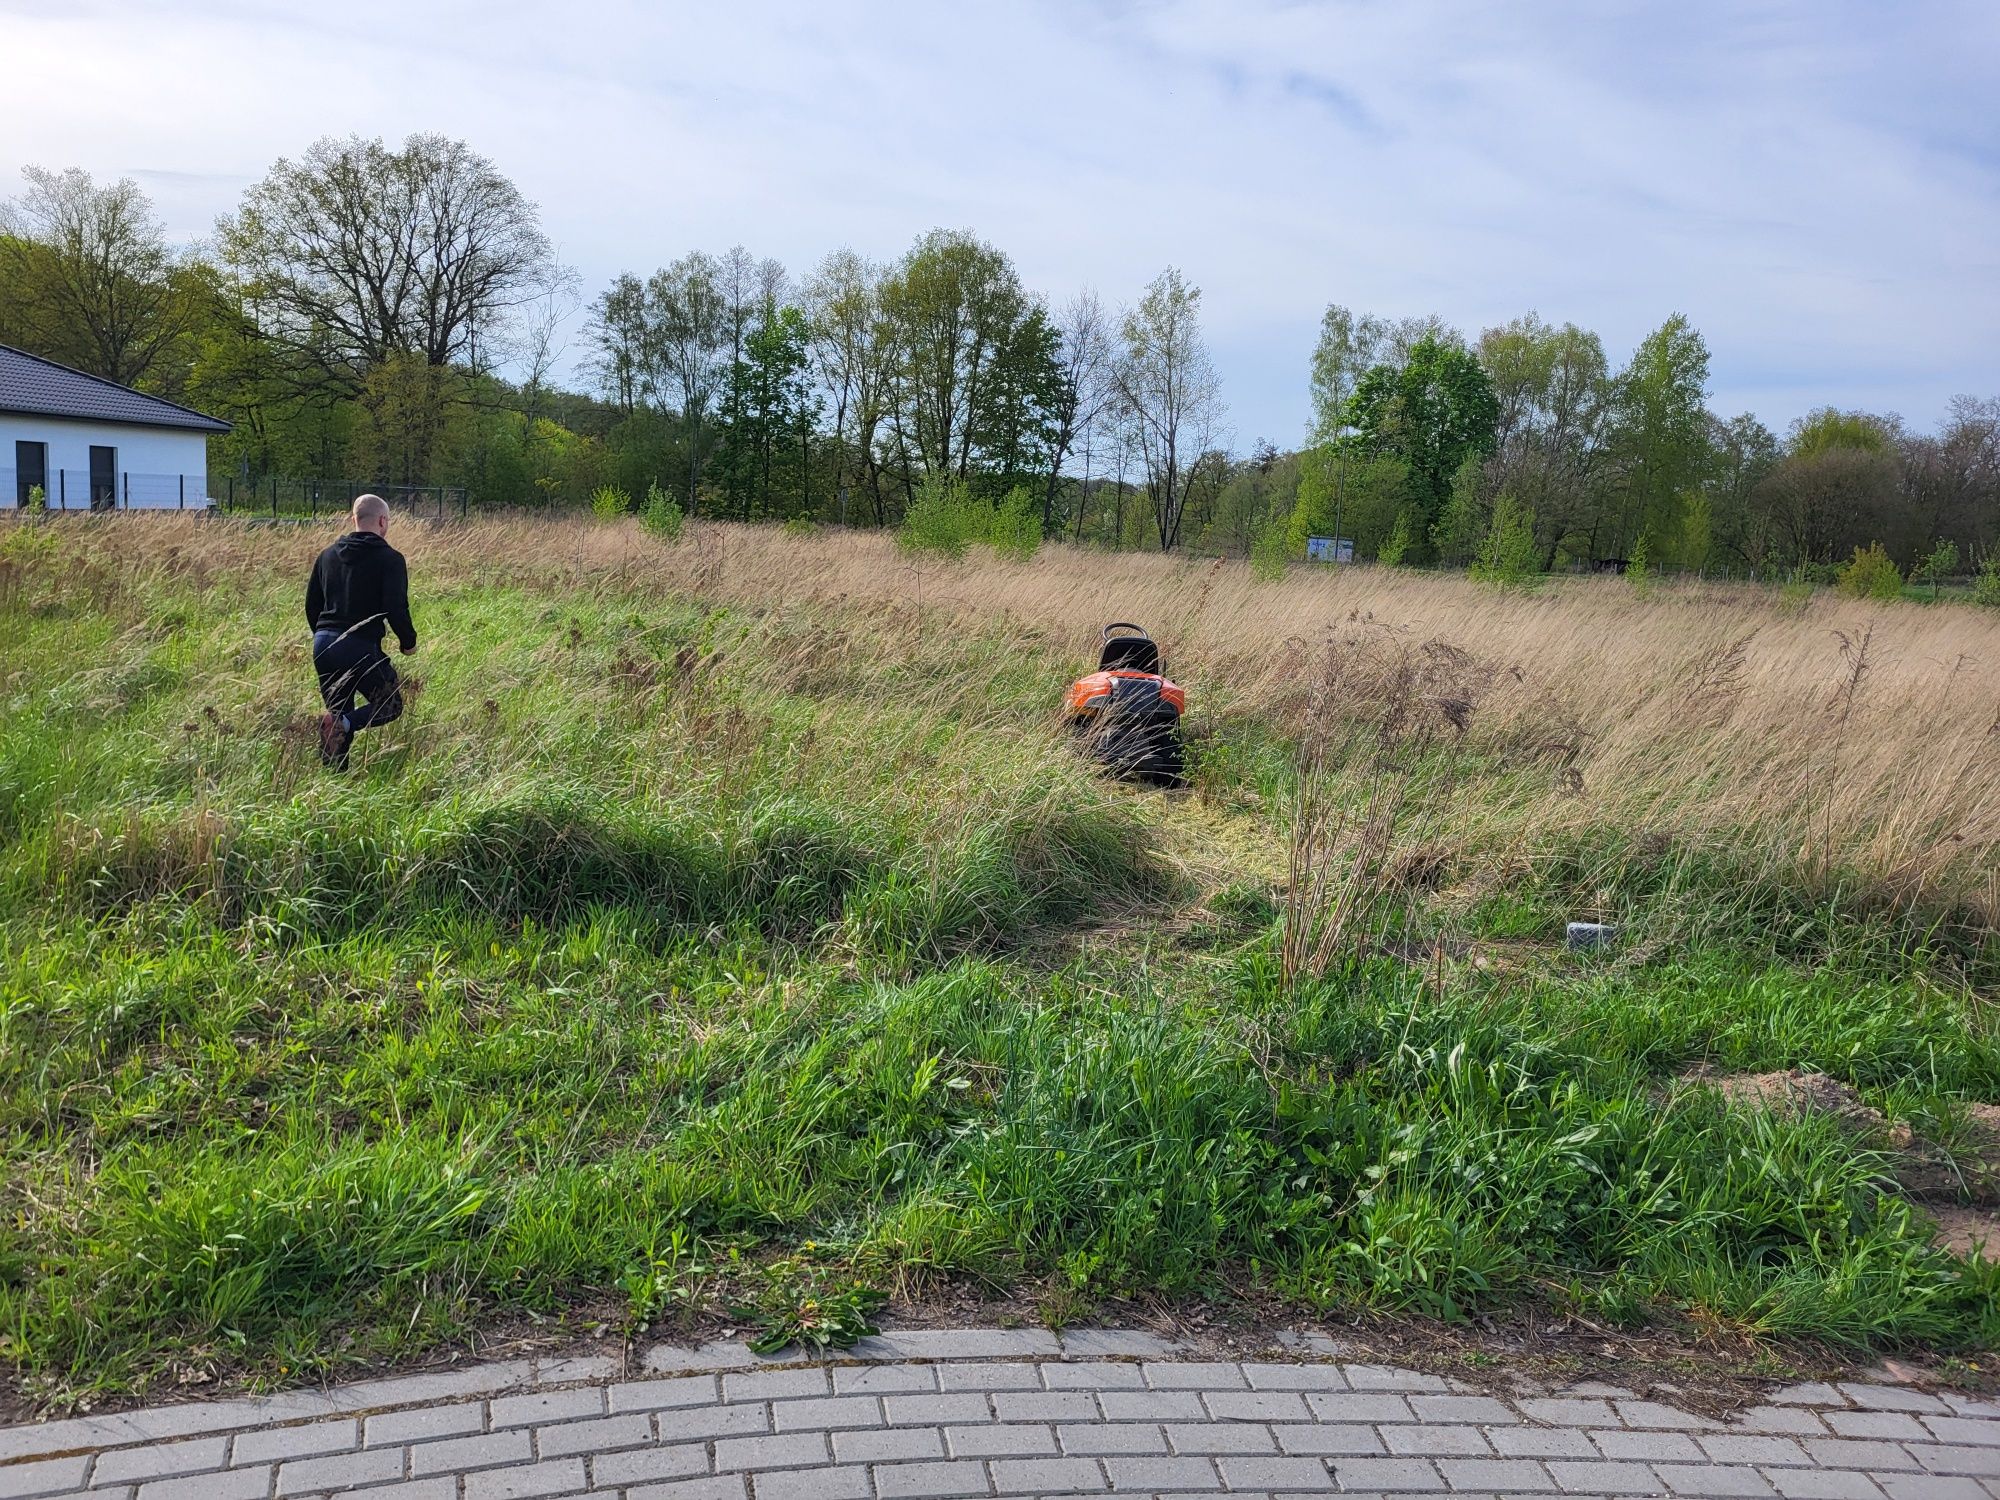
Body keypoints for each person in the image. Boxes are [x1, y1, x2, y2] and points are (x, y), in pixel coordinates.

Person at [305, 494, 416, 768]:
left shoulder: (327, 555)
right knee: (391, 704)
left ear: (354, 519)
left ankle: (334, 778)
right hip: (360, 647)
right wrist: (408, 642)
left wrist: (325, 639)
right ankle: (342, 723)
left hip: (323, 645)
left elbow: (312, 606)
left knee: (338, 711)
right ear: (382, 521)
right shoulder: (390, 558)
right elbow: (396, 607)